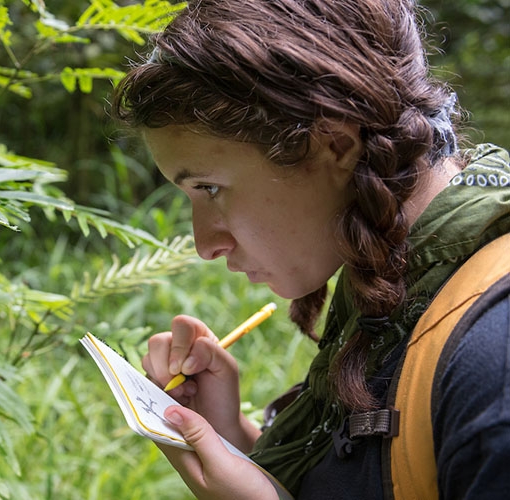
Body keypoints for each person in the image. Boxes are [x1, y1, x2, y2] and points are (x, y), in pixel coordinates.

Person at [110, 0, 510, 498]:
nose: (205, 245)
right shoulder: (404, 273)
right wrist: (236, 441)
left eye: (210, 188)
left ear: (335, 145)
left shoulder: (493, 360)